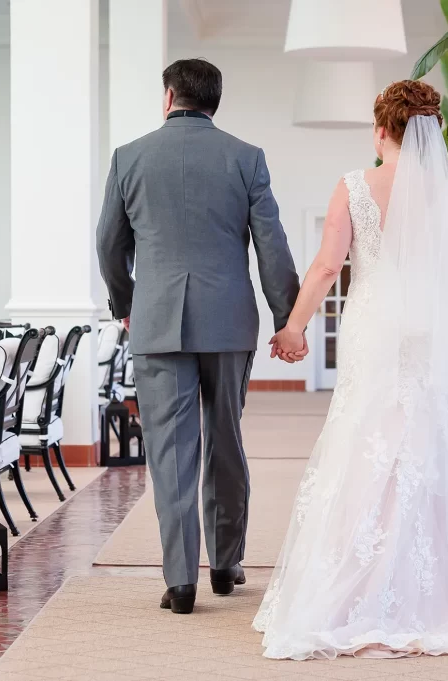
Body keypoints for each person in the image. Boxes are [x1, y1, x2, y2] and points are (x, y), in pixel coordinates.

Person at [252, 81, 448, 659]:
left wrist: (294, 328)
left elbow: (329, 265)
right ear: (430, 132)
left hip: (374, 328)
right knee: (424, 447)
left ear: (381, 129)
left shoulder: (355, 187)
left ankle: (355, 588)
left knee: (366, 443)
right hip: (429, 335)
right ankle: (430, 590)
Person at [96, 58, 302, 615]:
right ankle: (227, 565)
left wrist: (126, 303)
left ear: (169, 97)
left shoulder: (129, 158)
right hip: (229, 322)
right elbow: (272, 246)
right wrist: (288, 318)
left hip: (158, 322)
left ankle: (181, 580)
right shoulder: (245, 158)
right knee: (227, 442)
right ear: (214, 102)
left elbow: (108, 245)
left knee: (170, 452)